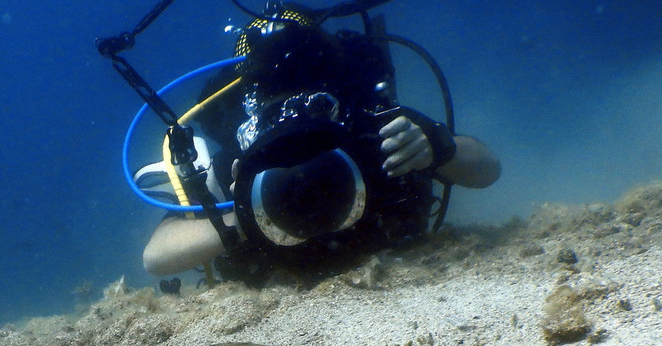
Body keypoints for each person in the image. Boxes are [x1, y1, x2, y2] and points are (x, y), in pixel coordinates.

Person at [140, 7, 501, 282]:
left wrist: (434, 146)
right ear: (251, 111)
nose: (296, 117)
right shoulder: (241, 165)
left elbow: (487, 168)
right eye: (277, 106)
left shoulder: (375, 132)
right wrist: (239, 217)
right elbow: (157, 256)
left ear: (337, 92)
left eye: (313, 101)